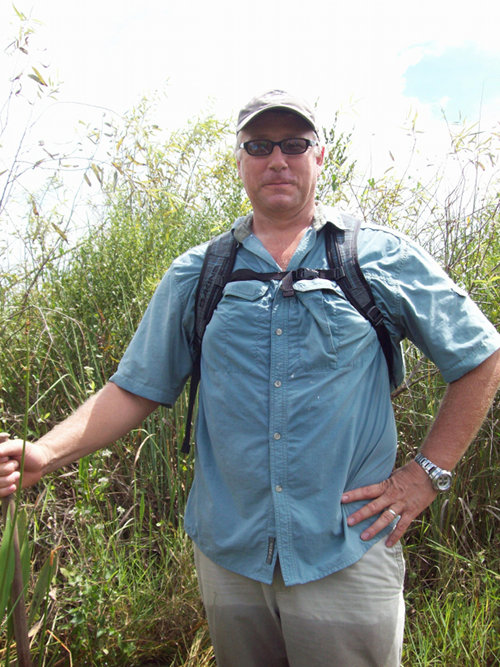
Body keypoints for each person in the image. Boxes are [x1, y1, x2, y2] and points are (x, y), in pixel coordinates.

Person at [1, 90, 499, 667]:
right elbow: (134, 387)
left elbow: (480, 355)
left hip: (348, 550)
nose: (277, 160)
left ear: (319, 157)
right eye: (259, 146)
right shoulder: (199, 273)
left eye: (294, 144)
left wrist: (425, 474)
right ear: (240, 161)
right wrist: (46, 453)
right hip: (231, 557)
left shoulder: (377, 258)